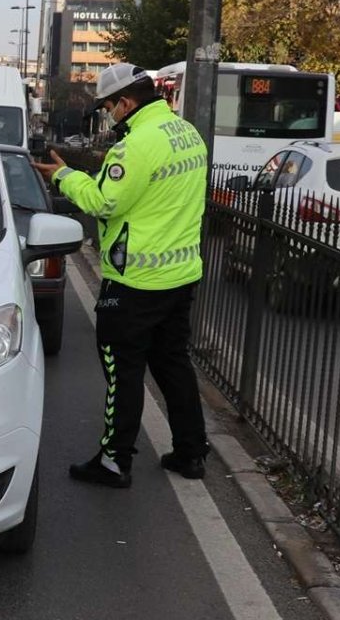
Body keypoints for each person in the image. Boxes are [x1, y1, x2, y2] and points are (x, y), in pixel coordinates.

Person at [32, 63, 209, 488]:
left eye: (109, 106)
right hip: (180, 275)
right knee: (173, 365)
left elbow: (103, 204)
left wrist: (66, 176)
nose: (109, 114)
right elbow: (147, 196)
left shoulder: (135, 147)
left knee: (122, 371)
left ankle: (114, 461)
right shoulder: (187, 134)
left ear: (126, 102)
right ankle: (191, 452)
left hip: (135, 283)